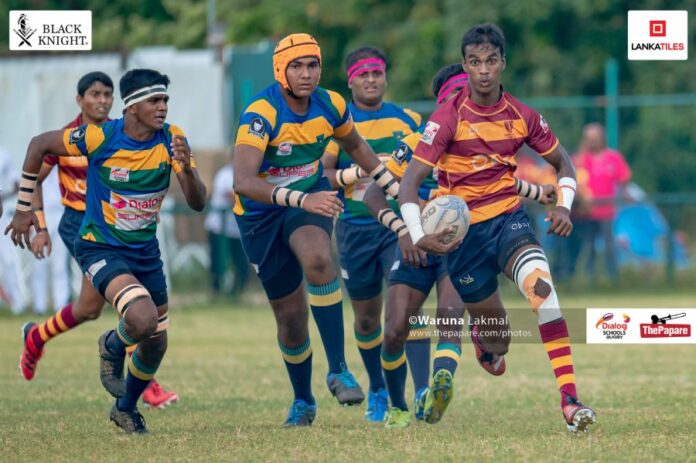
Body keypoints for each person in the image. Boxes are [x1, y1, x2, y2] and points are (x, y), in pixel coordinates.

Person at [398, 24, 596, 433]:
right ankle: (485, 347)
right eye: (474, 62)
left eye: (491, 61)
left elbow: (565, 165)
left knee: (544, 292)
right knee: (500, 343)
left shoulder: (522, 116)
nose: (483, 70)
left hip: (510, 221)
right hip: (464, 240)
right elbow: (409, 182)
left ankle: (570, 401)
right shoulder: (447, 117)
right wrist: (419, 234)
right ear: (466, 65)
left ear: (503, 63)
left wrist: (563, 205)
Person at [6, 68, 207, 434]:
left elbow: (197, 203)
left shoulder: (172, 138)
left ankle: (125, 408)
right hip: (97, 242)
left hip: (145, 250)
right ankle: (112, 345)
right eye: (155, 101)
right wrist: (26, 212)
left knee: (154, 341)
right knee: (140, 318)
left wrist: (188, 170)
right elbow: (38, 145)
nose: (163, 107)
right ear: (132, 108)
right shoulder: (95, 137)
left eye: (165, 100)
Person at [364, 64, 556, 428]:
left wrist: (538, 193)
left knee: (451, 313)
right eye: (455, 95)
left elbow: (502, 183)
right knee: (395, 328)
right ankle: (399, 405)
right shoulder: (417, 141)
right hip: (416, 245)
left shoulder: (482, 139)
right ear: (442, 102)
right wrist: (404, 229)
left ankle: (441, 381)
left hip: (460, 246)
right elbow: (375, 193)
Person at [232, 33, 400, 427]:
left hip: (310, 200)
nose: (306, 74)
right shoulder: (261, 112)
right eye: (297, 66)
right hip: (260, 215)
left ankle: (339, 369)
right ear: (280, 69)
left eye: (313, 65)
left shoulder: (332, 103)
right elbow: (242, 181)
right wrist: (299, 198)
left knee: (319, 256)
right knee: (291, 319)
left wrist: (392, 188)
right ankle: (304, 400)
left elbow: (357, 147)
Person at [321, 46, 427, 422]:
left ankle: (423, 392)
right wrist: (357, 175)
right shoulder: (338, 124)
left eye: (377, 74)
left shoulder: (409, 119)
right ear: (350, 81)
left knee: (407, 312)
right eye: (363, 75)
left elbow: (425, 168)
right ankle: (379, 389)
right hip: (354, 229)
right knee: (367, 320)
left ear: (385, 77)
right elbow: (323, 176)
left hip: (398, 230)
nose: (371, 80)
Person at [574, 123, 632, 283]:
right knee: (589, 246)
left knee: (609, 245)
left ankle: (614, 279)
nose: (593, 142)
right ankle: (589, 279)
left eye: (595, 138)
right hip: (588, 211)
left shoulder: (613, 157)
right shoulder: (583, 158)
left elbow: (624, 178)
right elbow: (575, 171)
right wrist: (583, 148)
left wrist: (626, 194)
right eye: (589, 139)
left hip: (607, 211)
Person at [204, 152, 249, 297]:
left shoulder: (247, 175)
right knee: (217, 263)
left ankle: (235, 295)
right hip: (218, 228)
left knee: (241, 263)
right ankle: (216, 293)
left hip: (235, 229)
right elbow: (233, 196)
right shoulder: (225, 174)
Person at [29, 169, 70, 315]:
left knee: (60, 264)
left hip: (61, 212)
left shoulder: (63, 156)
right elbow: (28, 187)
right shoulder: (36, 159)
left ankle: (61, 306)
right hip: (39, 214)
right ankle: (39, 306)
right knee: (38, 263)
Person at [0, 145, 25, 313]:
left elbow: (17, 185)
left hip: (2, 215)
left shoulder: (4, 154)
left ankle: (17, 305)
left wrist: (2, 195)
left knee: (8, 260)